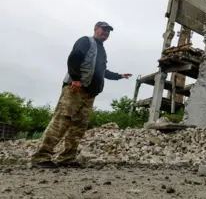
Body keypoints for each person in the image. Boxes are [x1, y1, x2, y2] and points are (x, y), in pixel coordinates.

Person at [30, 21, 132, 168]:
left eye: (108, 31)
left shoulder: (101, 50)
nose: (105, 33)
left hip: (89, 94)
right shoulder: (86, 41)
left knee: (79, 126)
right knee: (62, 121)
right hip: (75, 89)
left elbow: (102, 71)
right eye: (103, 30)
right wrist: (76, 78)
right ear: (95, 29)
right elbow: (74, 57)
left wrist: (119, 76)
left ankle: (67, 158)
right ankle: (40, 157)